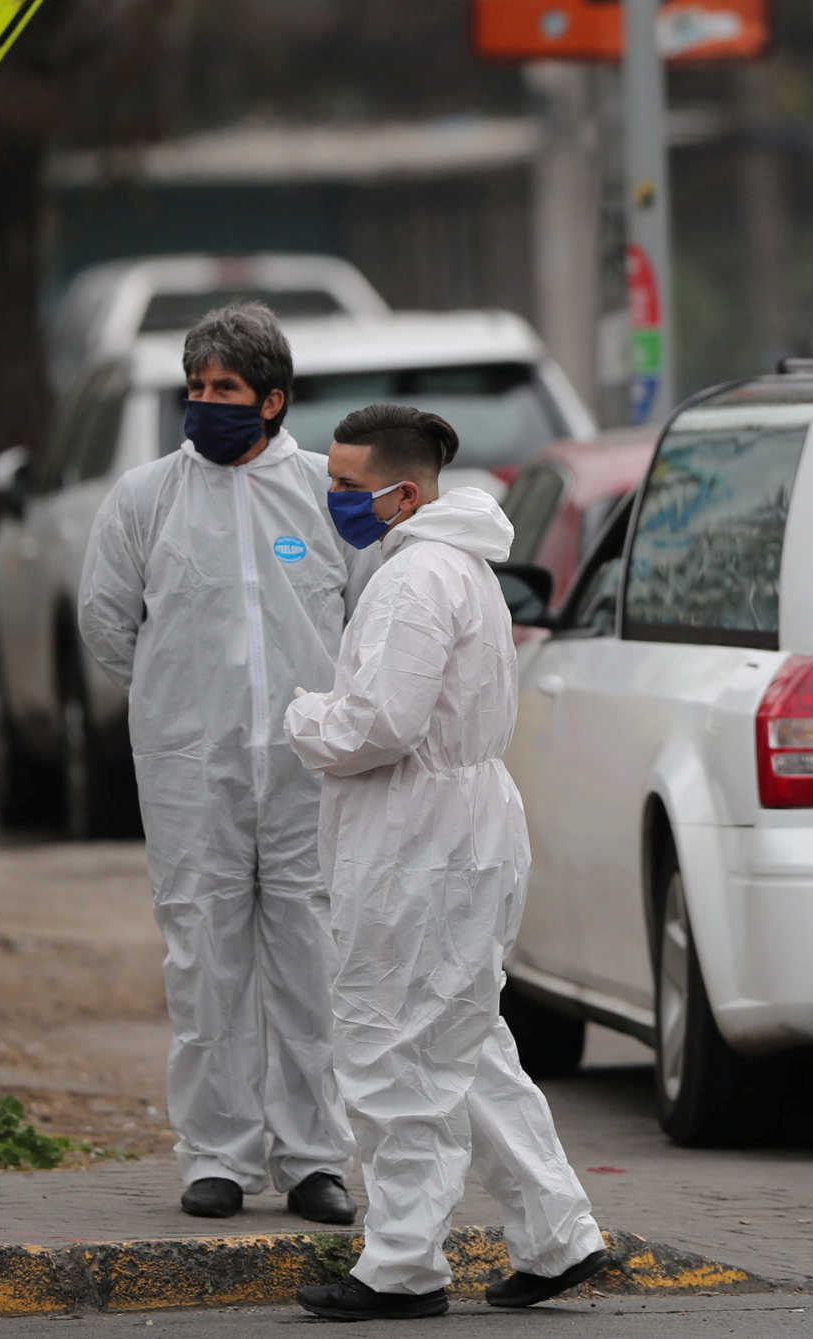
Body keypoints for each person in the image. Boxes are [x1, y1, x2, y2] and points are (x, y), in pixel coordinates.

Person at [286, 404, 607, 1319]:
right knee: (460, 1042)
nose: (334, 499)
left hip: (421, 843)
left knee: (395, 1050)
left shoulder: (413, 578)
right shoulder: (449, 565)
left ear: (405, 493)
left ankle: (401, 1265)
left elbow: (380, 724)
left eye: (348, 486)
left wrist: (303, 717)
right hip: (456, 830)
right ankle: (556, 1234)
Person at [78, 303, 359, 1226]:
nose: (205, 403)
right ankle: (216, 1156)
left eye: (225, 389)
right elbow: (106, 625)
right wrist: (179, 701)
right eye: (196, 388)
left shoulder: (326, 495)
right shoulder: (145, 497)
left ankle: (314, 1157)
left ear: (272, 400)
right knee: (204, 960)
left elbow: (370, 619)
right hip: (190, 773)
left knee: (309, 962)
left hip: (304, 772)